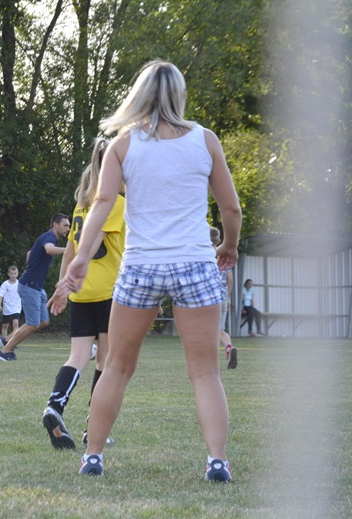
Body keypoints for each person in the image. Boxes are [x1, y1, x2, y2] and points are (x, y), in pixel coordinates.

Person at [51, 60, 241, 482]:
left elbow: (101, 204)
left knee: (116, 365)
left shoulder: (123, 145)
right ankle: (216, 462)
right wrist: (228, 244)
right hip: (194, 264)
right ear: (179, 94)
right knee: (205, 371)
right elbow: (231, 207)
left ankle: (94, 457)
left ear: (139, 95)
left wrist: (81, 256)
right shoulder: (205, 140)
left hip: (140, 268)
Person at [43, 137, 124, 450]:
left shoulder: (81, 205)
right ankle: (94, 428)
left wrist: (63, 286)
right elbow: (91, 246)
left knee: (78, 357)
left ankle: (54, 406)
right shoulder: (116, 203)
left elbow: (72, 252)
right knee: (105, 361)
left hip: (80, 291)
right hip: (108, 290)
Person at [0, 213, 70, 361]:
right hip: (30, 286)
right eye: (65, 225)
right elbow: (49, 249)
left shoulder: (46, 237)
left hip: (36, 287)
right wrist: (69, 250)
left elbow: (30, 253)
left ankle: (7, 339)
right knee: (33, 323)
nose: (68, 228)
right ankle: (5, 351)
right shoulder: (49, 237)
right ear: (55, 225)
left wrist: (29, 269)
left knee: (43, 321)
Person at [210, 227, 237, 368]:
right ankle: (228, 346)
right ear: (219, 240)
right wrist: (228, 299)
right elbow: (230, 280)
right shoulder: (224, 258)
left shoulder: (205, 257)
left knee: (205, 331)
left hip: (208, 299)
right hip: (222, 298)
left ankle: (207, 361)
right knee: (220, 330)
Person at [0, 266, 21, 343]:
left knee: (15, 323)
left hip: (16, 307)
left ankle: (14, 341)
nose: (13, 275)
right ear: (8, 274)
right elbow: (0, 295)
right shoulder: (5, 284)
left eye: (15, 273)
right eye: (12, 273)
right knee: (5, 325)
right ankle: (4, 341)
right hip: (7, 307)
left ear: (17, 274)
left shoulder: (19, 283)